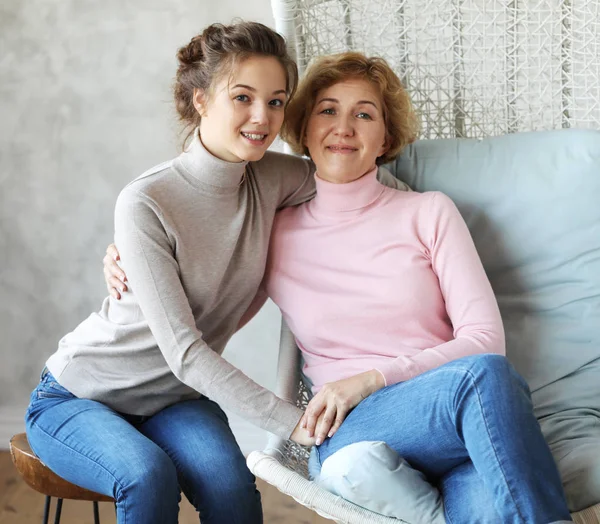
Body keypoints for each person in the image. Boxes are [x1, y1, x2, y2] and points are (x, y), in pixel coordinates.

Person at [106, 52, 573, 523]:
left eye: (364, 114)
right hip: (350, 426)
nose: (344, 127)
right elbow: (198, 277)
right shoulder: (271, 229)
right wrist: (128, 244)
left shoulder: (429, 212)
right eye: (328, 110)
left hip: (454, 421)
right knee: (486, 377)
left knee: (491, 484)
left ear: (385, 138)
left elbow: (484, 339)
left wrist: (371, 378)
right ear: (303, 128)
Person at [23, 22, 408, 524]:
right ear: (201, 99)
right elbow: (184, 353)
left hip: (173, 401)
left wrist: (430, 217)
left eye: (276, 101)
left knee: (232, 491)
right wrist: (296, 424)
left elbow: (375, 184)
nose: (261, 117)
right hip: (79, 395)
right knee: (146, 475)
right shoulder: (147, 200)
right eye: (243, 97)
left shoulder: (275, 178)